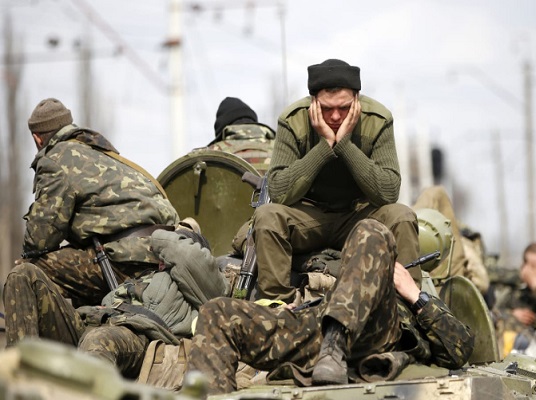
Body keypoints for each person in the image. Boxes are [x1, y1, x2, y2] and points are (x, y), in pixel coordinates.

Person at [187, 219, 474, 394]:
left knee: (372, 230)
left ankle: (334, 347)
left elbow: (459, 347)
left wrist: (413, 294)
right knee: (217, 312)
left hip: (373, 334)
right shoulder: (337, 259)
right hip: (317, 327)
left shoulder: (413, 294)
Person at [4, 98, 180, 347]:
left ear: (37, 138)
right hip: (162, 254)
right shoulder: (103, 152)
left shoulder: (56, 159)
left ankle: (23, 368)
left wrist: (27, 257)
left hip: (121, 259)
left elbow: (40, 239)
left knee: (26, 274)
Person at [250, 59, 420, 303]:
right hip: (307, 215)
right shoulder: (293, 120)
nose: (336, 116)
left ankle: (406, 308)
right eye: (327, 109)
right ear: (313, 103)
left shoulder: (378, 119)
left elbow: (388, 192)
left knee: (402, 216)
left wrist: (345, 145)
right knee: (267, 216)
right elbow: (279, 191)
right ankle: (279, 307)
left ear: (357, 100)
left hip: (358, 216)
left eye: (345, 107)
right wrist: (324, 147)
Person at [78, 227, 229, 379]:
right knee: (52, 298)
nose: (161, 259)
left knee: (99, 340)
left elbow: (186, 254)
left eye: (166, 256)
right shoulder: (148, 275)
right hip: (94, 320)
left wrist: (159, 237)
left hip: (136, 333)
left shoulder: (211, 285)